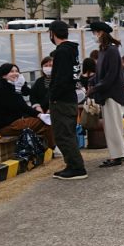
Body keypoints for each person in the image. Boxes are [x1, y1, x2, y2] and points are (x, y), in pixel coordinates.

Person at [47, 20, 87, 180]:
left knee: (63, 134)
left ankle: (76, 167)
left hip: (62, 100)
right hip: (70, 97)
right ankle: (72, 165)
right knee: (67, 133)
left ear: (52, 33)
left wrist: (53, 96)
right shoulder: (72, 50)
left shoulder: (62, 52)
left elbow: (61, 79)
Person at [88, 22, 124, 168]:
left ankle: (116, 156)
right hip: (108, 92)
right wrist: (93, 81)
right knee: (113, 126)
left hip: (112, 93)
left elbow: (111, 75)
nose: (94, 36)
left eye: (95, 32)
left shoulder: (110, 51)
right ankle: (122, 152)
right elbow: (102, 73)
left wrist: (96, 88)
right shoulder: (104, 50)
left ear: (101, 33)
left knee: (113, 127)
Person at [0, 63, 55, 150]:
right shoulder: (0, 87)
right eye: (11, 71)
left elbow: (29, 93)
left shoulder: (10, 85)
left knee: (47, 121)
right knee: (48, 121)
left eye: (17, 71)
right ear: (4, 74)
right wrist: (39, 114)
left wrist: (21, 86)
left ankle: (47, 148)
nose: (15, 73)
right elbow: (19, 105)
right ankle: (51, 148)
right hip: (8, 126)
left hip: (14, 122)